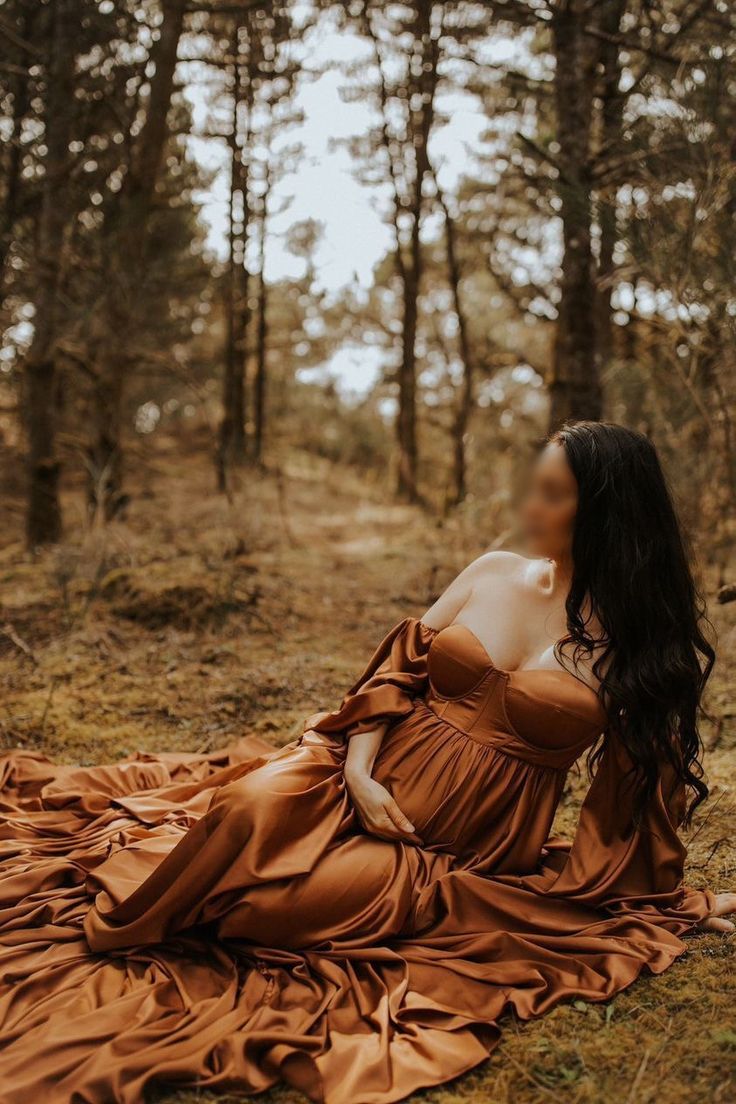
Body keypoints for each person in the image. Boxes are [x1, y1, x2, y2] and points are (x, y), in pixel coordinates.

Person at [0, 421, 733, 1104]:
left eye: (551, 493)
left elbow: (637, 800)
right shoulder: (495, 570)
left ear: (604, 511)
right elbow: (398, 671)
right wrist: (358, 768)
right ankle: (125, 926)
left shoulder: (637, 645)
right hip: (354, 764)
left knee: (269, 911)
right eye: (533, 484)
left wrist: (666, 899)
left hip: (442, 843)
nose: (528, 504)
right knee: (243, 811)